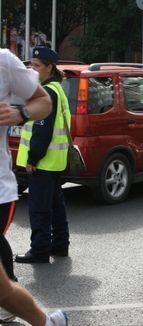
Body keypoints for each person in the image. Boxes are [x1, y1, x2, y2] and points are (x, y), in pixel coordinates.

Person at [0, 48, 68, 325]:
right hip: (43, 165)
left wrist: (20, 113)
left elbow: (43, 105)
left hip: (9, 184)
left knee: (47, 210)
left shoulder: (4, 61)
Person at [15, 46, 71, 264]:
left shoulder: (47, 92)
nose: (32, 68)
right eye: (30, 64)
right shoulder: (57, 89)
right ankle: (59, 245)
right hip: (54, 162)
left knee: (39, 209)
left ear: (49, 68)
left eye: (37, 65)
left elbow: (42, 129)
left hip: (43, 162)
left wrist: (32, 159)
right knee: (56, 206)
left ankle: (39, 250)